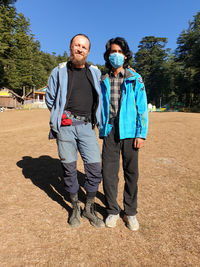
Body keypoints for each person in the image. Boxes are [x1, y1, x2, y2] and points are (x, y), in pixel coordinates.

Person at [45, 34, 104, 228]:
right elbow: (50, 98)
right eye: (77, 45)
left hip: (87, 127)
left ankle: (88, 207)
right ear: (70, 47)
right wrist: (60, 116)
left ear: (88, 51)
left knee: (95, 168)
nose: (80, 49)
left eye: (84, 47)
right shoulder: (59, 71)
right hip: (65, 128)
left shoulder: (95, 72)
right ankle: (75, 208)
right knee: (69, 170)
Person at [99, 37, 148, 231]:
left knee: (131, 173)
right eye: (113, 51)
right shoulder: (102, 79)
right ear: (108, 55)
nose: (116, 55)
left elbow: (142, 107)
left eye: (119, 52)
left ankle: (130, 212)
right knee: (109, 173)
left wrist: (141, 134)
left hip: (129, 131)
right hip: (109, 130)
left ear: (125, 55)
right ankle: (112, 210)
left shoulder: (134, 78)